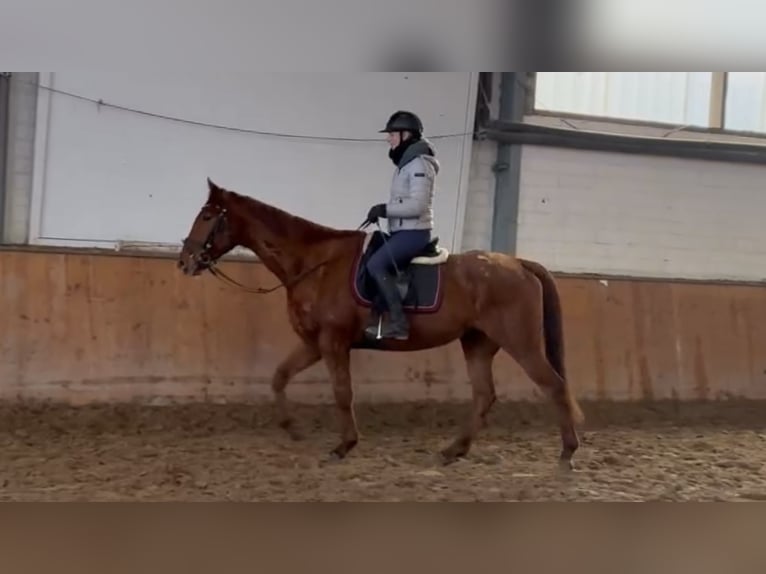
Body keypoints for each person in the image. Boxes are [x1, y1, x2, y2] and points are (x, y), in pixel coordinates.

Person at [363, 110, 440, 340]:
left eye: (392, 134)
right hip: (400, 231)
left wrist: (384, 210)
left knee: (376, 264)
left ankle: (398, 324)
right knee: (370, 250)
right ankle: (375, 315)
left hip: (414, 233)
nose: (389, 138)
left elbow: (417, 205)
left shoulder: (419, 165)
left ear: (406, 135)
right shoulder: (405, 165)